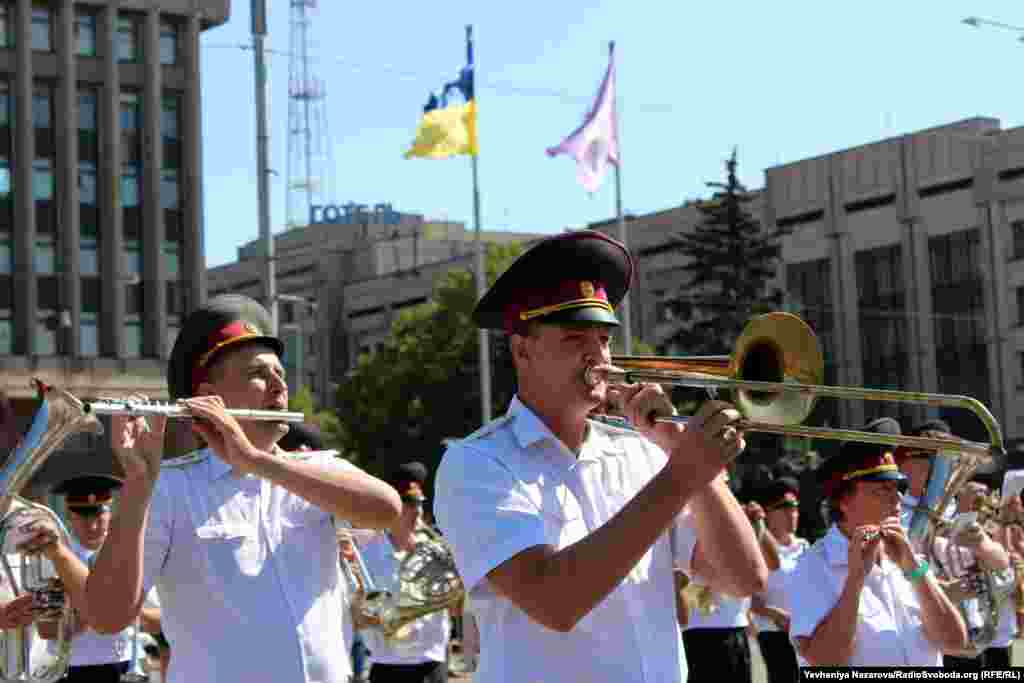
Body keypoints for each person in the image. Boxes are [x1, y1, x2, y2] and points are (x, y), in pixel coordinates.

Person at [434, 230, 769, 683]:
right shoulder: (477, 463)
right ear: (522, 348)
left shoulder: (644, 452)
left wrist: (689, 461)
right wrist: (683, 472)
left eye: (604, 338)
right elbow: (554, 600)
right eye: (575, 339)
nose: (598, 355)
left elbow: (742, 579)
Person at [82, 294, 403, 683]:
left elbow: (386, 508)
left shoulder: (317, 469)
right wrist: (136, 486)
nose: (279, 384)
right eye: (258, 373)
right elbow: (106, 617)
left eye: (280, 372)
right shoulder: (168, 487)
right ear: (206, 398)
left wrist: (256, 460)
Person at [786, 417, 968, 666]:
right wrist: (855, 582)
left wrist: (915, 569)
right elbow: (824, 661)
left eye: (898, 489)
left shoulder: (909, 558)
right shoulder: (812, 565)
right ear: (844, 501)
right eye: (881, 490)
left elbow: (955, 642)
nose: (897, 500)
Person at [45, 475, 160, 682]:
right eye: (83, 518)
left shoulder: (131, 555)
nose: (93, 527)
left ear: (110, 512)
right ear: (70, 516)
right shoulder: (55, 558)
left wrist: (129, 612)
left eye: (99, 517)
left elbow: (161, 621)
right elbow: (46, 629)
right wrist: (96, 614)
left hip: (124, 667)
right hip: (72, 669)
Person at [356, 462, 451, 683]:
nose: (416, 511)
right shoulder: (368, 555)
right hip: (388, 665)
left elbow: (455, 603)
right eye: (408, 504)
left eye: (419, 503)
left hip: (432, 664)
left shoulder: (436, 551)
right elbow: (357, 614)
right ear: (392, 508)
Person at [749, 477, 808, 683]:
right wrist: (774, 613)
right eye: (784, 507)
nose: (792, 513)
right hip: (773, 632)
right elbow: (746, 597)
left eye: (795, 507)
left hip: (804, 630)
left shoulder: (804, 547)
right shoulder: (756, 549)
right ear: (768, 513)